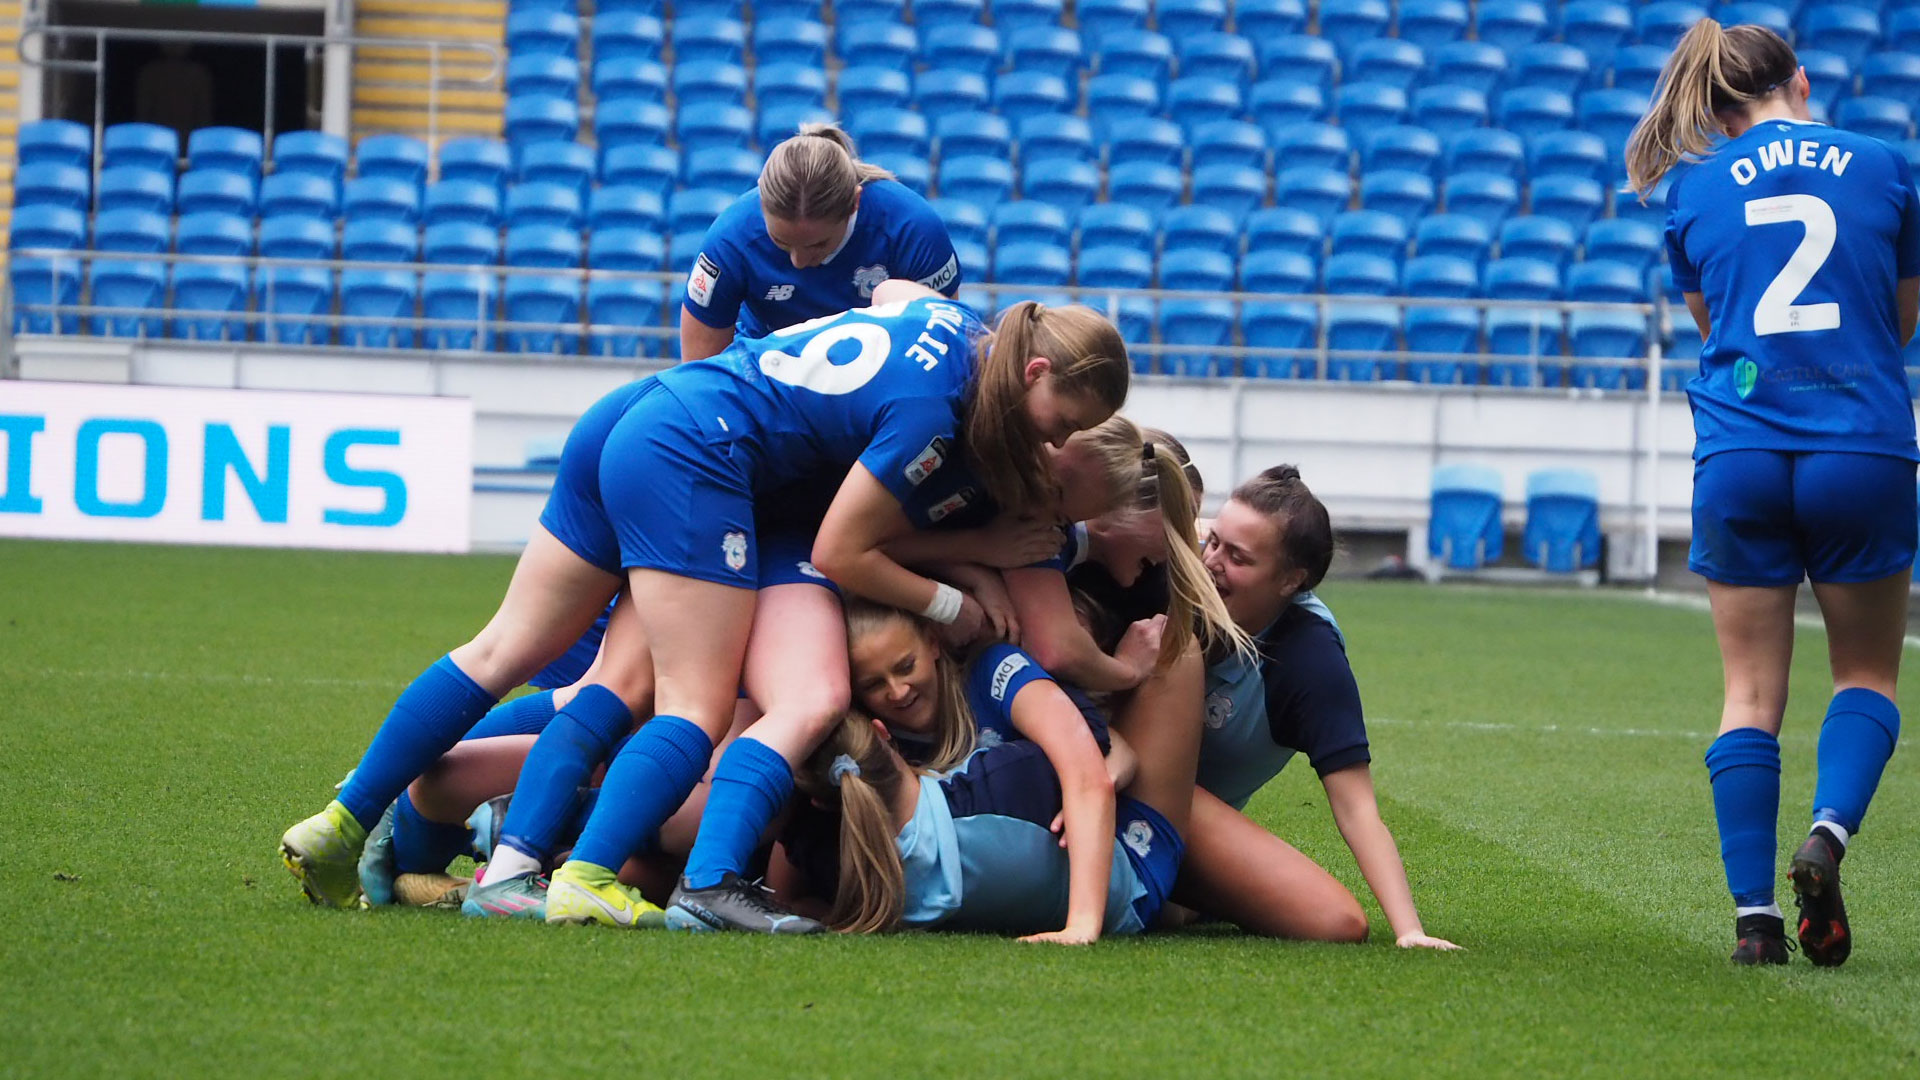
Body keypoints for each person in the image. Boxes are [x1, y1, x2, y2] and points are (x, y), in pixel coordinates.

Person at [278, 289, 1131, 928]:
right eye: (1063, 422)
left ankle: (358, 822)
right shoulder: (933, 417)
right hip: (703, 454)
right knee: (702, 701)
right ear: (1036, 371)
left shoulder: (961, 321)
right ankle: (586, 877)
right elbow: (842, 549)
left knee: (530, 659)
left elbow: (890, 297)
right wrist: (956, 590)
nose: (1056, 442)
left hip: (648, 409)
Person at [1625, 20, 1918, 966]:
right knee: (1867, 676)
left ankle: (1754, 921)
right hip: (1861, 448)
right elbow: (1899, 320)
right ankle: (1827, 834)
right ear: (1801, 78)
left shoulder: (1694, 187)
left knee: (1749, 693)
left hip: (1743, 452)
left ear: (1709, 106)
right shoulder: (1884, 162)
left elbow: (1717, 325)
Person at [1193, 466, 1459, 949]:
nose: (1211, 562)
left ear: (1290, 580)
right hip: (1111, 775)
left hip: (1185, 813)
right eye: (1214, 540)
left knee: (1337, 923)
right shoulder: (1177, 570)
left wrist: (1409, 930)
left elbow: (1357, 807)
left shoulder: (1308, 660)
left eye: (1238, 557)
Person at [680, 124, 961, 362]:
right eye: (781, 242)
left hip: (877, 378)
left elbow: (941, 349)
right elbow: (699, 373)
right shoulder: (731, 239)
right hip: (765, 378)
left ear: (854, 203)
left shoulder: (912, 229)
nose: (798, 262)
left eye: (817, 245)